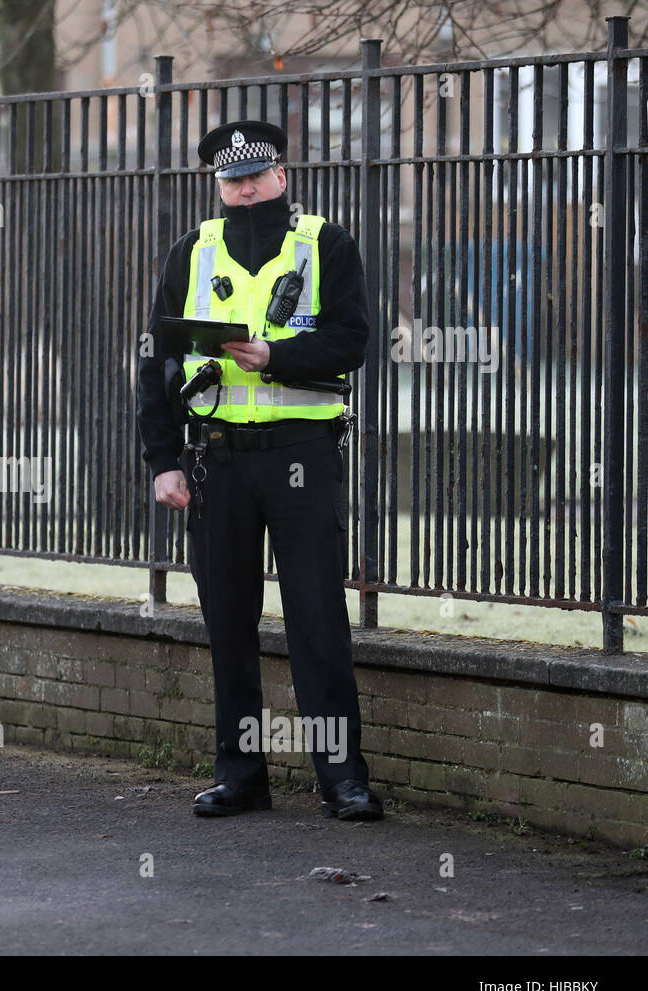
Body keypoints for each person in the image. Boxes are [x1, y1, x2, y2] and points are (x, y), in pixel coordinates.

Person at [136, 120, 383, 821]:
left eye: (255, 176)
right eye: (230, 180)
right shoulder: (194, 250)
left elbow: (351, 339)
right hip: (218, 461)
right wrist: (163, 460)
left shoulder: (324, 244)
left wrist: (274, 356)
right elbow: (156, 363)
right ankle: (241, 773)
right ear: (218, 185)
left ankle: (343, 779)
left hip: (302, 455)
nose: (243, 190)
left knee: (316, 619)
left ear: (281, 176)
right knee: (229, 624)